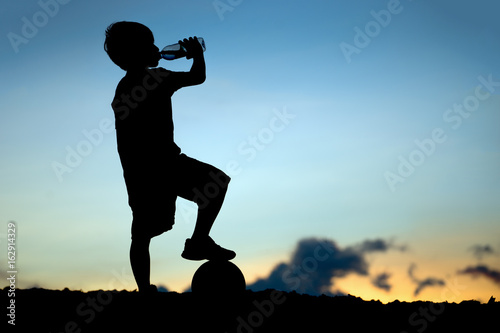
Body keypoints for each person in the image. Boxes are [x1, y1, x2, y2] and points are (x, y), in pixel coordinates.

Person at [104, 21, 235, 293]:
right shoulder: (157, 78)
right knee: (215, 184)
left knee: (143, 232)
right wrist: (197, 54)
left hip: (140, 172)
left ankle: (144, 290)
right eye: (149, 44)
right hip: (163, 164)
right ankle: (198, 241)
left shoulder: (126, 87)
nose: (156, 48)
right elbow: (197, 76)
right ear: (137, 52)